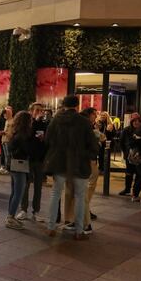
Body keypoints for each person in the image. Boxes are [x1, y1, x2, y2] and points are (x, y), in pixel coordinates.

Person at [43, 95, 99, 240]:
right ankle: (79, 230)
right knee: (80, 197)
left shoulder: (56, 120)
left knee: (56, 194)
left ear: (64, 105)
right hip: (79, 164)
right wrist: (86, 154)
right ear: (77, 105)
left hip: (59, 163)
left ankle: (51, 227)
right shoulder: (84, 122)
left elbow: (48, 140)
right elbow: (93, 145)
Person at [17, 102, 47, 222]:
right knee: (26, 185)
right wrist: (35, 121)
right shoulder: (28, 124)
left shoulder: (44, 124)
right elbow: (26, 137)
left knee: (38, 186)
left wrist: (44, 139)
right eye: (37, 110)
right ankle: (23, 210)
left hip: (39, 160)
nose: (40, 112)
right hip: (28, 159)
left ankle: (36, 211)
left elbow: (47, 141)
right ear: (31, 111)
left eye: (41, 110)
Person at [5, 111, 33, 230]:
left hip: (13, 165)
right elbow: (27, 151)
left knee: (14, 192)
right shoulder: (23, 136)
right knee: (19, 192)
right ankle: (10, 218)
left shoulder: (14, 133)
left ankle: (10, 215)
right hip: (20, 166)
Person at [119, 114, 141, 196]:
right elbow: (121, 142)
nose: (136, 123)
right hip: (129, 155)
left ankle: (135, 191)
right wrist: (126, 152)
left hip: (140, 155)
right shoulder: (126, 130)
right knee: (129, 172)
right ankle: (127, 189)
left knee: (138, 173)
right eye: (135, 121)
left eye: (138, 121)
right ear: (131, 122)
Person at [0, 107, 12, 173]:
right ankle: (3, 166)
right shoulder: (3, 119)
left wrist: (5, 132)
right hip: (3, 139)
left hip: (7, 139)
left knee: (7, 154)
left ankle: (7, 167)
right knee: (4, 153)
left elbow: (11, 130)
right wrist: (0, 131)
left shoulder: (10, 120)